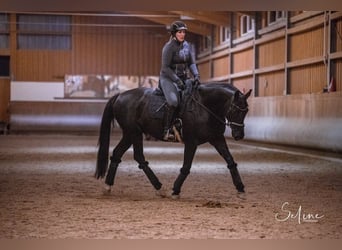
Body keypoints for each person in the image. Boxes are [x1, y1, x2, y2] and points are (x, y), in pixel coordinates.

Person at [159, 20, 200, 141]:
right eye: (180, 32)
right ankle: (166, 130)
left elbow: (191, 62)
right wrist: (177, 81)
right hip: (168, 78)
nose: (182, 34)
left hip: (183, 78)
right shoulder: (168, 47)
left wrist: (196, 75)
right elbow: (165, 68)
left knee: (194, 99)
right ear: (174, 33)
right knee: (173, 102)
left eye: (184, 32)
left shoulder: (187, 45)